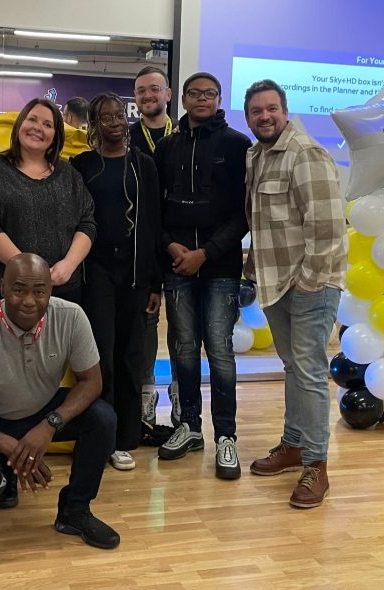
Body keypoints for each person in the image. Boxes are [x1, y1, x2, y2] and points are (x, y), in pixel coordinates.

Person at [0, 253, 120, 549]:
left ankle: (75, 510)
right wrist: (12, 448)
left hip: (43, 410)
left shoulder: (71, 317)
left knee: (103, 419)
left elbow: (92, 382)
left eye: (39, 291)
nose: (29, 301)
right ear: (2, 287)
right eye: (18, 290)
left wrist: (49, 425)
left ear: (50, 290)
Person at [243, 79, 347, 508]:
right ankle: (293, 444)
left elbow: (328, 228)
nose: (264, 116)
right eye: (256, 111)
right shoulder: (257, 155)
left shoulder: (306, 152)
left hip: (309, 284)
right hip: (275, 281)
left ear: (284, 111)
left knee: (308, 370)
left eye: (271, 108)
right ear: (248, 118)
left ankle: (316, 465)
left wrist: (309, 282)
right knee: (294, 367)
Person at [154, 73, 250, 479]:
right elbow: (154, 210)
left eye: (210, 94)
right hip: (177, 267)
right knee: (184, 349)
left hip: (220, 268)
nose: (202, 99)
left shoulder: (237, 145)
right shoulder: (166, 147)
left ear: (219, 99)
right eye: (195, 93)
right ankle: (189, 426)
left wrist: (205, 253)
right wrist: (172, 247)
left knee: (221, 352)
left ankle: (226, 436)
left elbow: (244, 213)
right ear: (182, 99)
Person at [71, 92, 161, 471]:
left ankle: (126, 436)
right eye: (105, 117)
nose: (114, 122)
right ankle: (102, 436)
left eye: (118, 115)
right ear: (94, 123)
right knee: (101, 355)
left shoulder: (143, 165)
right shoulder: (82, 166)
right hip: (97, 274)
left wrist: (155, 283)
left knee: (131, 355)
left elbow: (154, 224)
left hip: (135, 274)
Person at [0, 98, 95, 307]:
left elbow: (87, 222)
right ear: (20, 124)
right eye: (32, 119)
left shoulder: (70, 175)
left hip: (62, 292)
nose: (38, 128)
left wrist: (69, 264)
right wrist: (28, 268)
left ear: (56, 135)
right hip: (3, 292)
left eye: (48, 124)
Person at [129, 65, 177, 444]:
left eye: (154, 89)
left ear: (168, 94)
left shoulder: (186, 135)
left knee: (184, 333)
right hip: (142, 250)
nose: (148, 95)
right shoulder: (127, 138)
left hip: (182, 249)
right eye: (141, 91)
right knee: (144, 331)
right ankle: (146, 401)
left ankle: (182, 402)